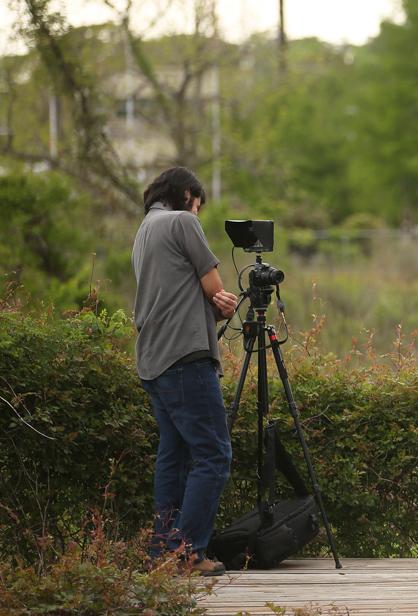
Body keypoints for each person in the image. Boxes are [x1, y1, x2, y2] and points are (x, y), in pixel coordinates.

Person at [132, 167, 239, 576]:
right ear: (186, 195)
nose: (198, 212)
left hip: (152, 359)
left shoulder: (144, 231)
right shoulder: (182, 221)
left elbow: (174, 295)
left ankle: (162, 553)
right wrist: (225, 304)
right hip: (185, 357)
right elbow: (215, 289)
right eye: (198, 203)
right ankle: (188, 553)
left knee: (173, 456)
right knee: (214, 454)